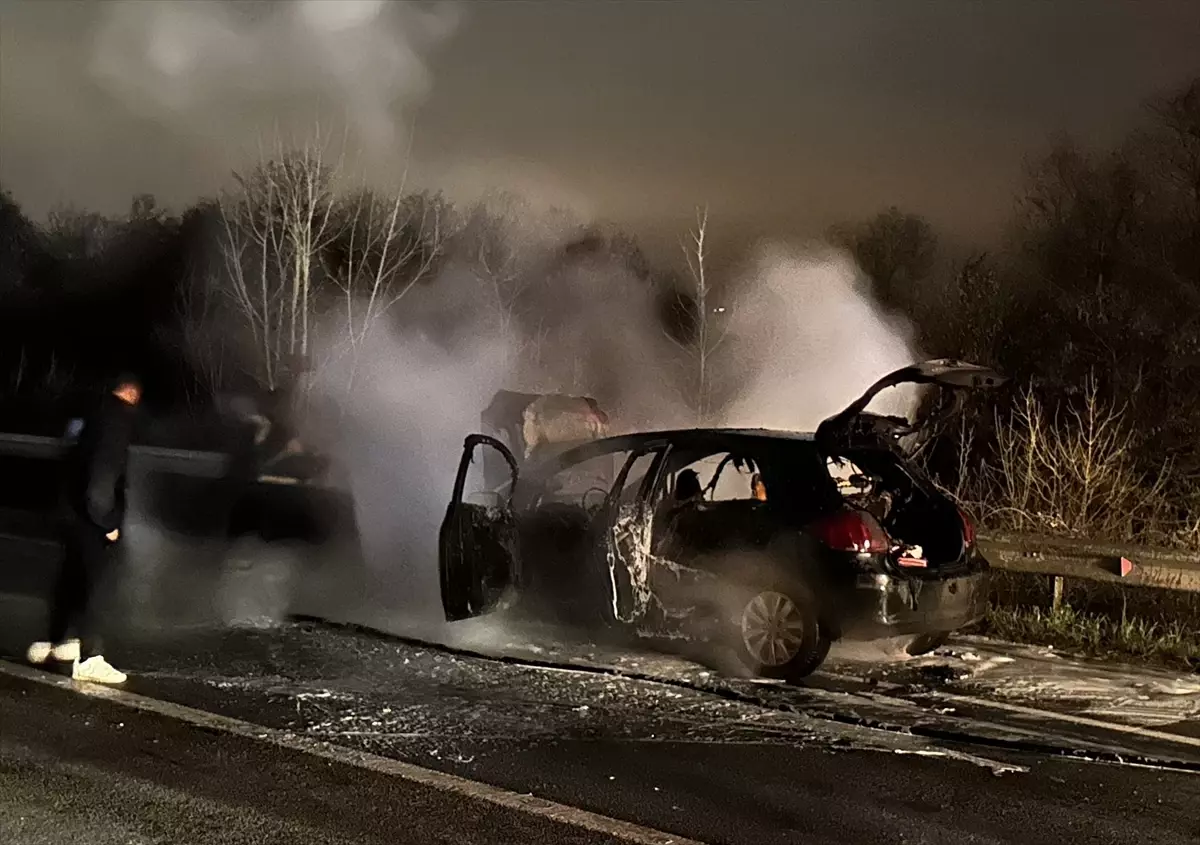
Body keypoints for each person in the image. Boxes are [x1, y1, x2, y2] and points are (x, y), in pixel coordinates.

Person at [26, 374, 141, 684]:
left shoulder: (88, 413)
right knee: (93, 588)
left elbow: (70, 461)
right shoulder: (116, 420)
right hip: (91, 518)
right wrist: (107, 522)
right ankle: (90, 658)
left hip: (68, 513)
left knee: (69, 580)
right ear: (131, 392)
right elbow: (103, 476)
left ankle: (56, 642)